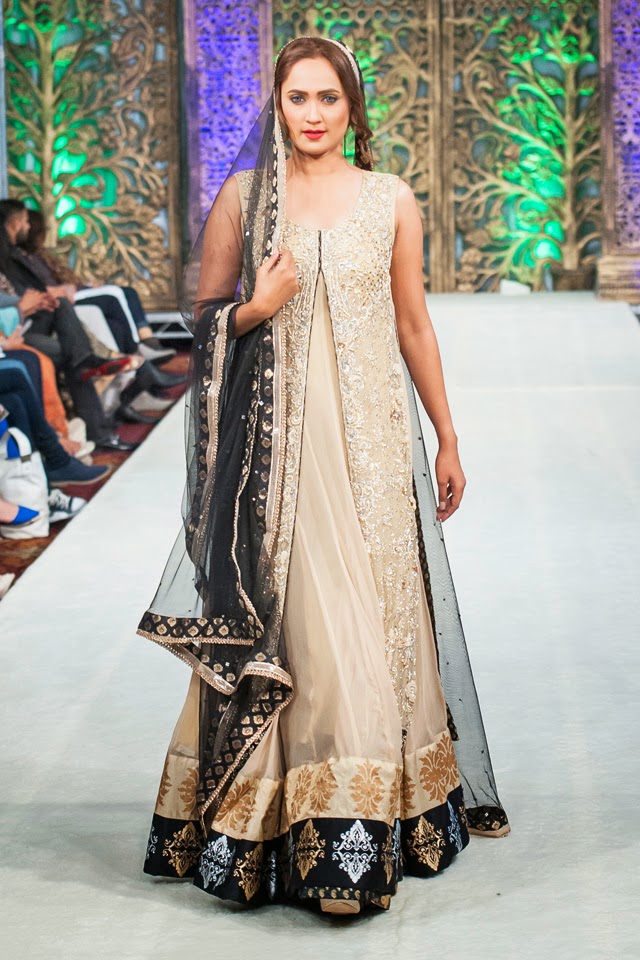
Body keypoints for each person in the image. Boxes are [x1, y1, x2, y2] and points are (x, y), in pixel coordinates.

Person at [138, 37, 509, 916]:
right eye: (296, 97)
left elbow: (413, 324)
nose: (311, 114)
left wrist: (448, 437)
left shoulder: (390, 199)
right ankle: (317, 841)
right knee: (313, 629)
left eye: (327, 98)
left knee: (380, 622)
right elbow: (203, 322)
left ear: (352, 108)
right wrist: (257, 309)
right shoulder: (245, 198)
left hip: (373, 449)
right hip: (277, 461)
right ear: (276, 105)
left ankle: (377, 814)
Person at [0, 200, 136, 452]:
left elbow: (15, 296)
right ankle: (93, 433)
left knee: (64, 310)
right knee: (70, 357)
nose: (27, 226)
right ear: (15, 223)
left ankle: (88, 363)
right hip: (10, 331)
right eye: (25, 221)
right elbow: (9, 301)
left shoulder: (11, 254)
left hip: (18, 322)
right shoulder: (7, 255)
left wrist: (38, 300)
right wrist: (21, 305)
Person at [21, 208, 176, 364]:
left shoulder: (38, 256)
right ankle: (137, 348)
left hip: (71, 293)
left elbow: (63, 284)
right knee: (112, 296)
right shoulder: (23, 259)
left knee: (122, 306)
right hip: (61, 300)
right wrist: (69, 289)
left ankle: (146, 343)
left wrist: (84, 286)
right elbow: (46, 289)